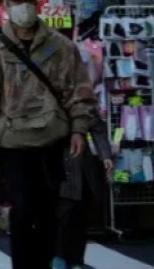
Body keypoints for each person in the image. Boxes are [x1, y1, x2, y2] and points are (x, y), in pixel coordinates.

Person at [0, 0, 96, 269]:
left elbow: (78, 89)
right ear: (6, 7)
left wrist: (79, 129)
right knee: (21, 213)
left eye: (28, 0)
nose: (24, 6)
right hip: (13, 145)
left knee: (48, 212)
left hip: (52, 141)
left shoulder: (61, 46)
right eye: (17, 0)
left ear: (38, 4)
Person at [54, 112, 113, 269]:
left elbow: (96, 125)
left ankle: (74, 260)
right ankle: (58, 257)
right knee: (60, 213)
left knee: (78, 214)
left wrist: (105, 155)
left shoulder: (81, 95)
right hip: (52, 160)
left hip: (79, 162)